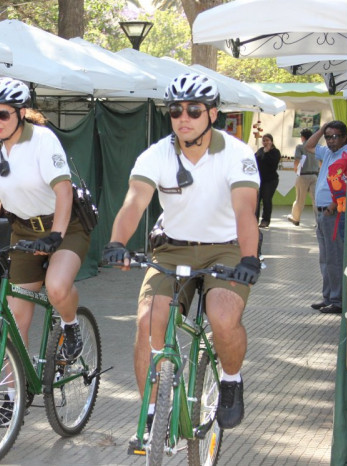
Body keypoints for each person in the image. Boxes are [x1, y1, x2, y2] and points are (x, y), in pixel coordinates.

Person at [101, 73, 261, 449]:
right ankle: (152, 414)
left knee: (222, 316)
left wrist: (250, 258)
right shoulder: (156, 154)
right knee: (147, 322)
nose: (183, 117)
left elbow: (245, 211)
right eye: (175, 110)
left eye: (193, 109)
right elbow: (134, 202)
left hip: (227, 248)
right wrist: (116, 242)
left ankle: (232, 379)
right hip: (172, 248)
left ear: (213, 114)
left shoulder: (237, 154)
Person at [0, 77, 91, 428]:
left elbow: (63, 193)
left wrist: (55, 236)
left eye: (3, 114)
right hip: (24, 231)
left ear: (21, 113)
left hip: (66, 227)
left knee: (56, 287)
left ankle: (71, 326)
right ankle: (16, 395)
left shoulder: (43, 141)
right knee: (16, 322)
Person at [305, 121, 347, 314]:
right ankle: (328, 296)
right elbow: (309, 146)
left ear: (344, 137)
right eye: (328, 137)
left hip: (334, 213)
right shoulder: (329, 152)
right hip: (321, 212)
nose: (331, 141)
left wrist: (333, 205)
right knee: (325, 258)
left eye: (335, 136)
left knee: (335, 258)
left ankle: (338, 299)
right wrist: (322, 129)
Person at [286, 128, 319, 226]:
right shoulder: (316, 147)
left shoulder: (300, 147)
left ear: (303, 137)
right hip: (314, 175)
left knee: (300, 199)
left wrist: (296, 169)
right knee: (316, 199)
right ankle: (319, 221)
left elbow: (297, 160)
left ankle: (296, 218)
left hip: (303, 175)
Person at [254, 133, 281, 228]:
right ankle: (254, 220)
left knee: (266, 199)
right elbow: (255, 161)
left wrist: (267, 153)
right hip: (259, 180)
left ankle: (265, 220)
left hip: (270, 180)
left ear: (271, 141)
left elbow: (273, 164)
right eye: (264, 140)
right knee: (256, 200)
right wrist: (263, 152)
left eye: (267, 140)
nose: (265, 142)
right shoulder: (260, 150)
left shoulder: (275, 152)